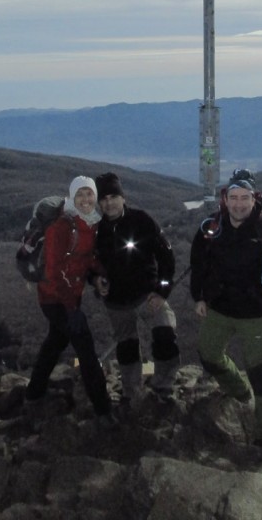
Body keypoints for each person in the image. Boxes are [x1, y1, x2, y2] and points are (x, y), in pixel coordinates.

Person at [190, 168, 262, 447]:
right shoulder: (211, 228)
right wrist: (199, 297)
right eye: (234, 197)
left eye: (245, 197)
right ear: (225, 199)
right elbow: (199, 264)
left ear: (255, 199)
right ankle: (239, 391)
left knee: (260, 373)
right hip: (220, 307)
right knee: (208, 354)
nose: (239, 203)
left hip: (254, 312)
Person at [24, 176, 117, 430]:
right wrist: (72, 309)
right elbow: (54, 272)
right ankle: (103, 410)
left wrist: (100, 274)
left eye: (90, 195)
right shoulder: (62, 226)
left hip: (69, 297)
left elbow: (85, 259)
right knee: (86, 350)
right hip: (54, 298)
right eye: (80, 196)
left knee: (55, 341)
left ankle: (33, 394)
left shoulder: (91, 223)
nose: (86, 200)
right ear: (72, 198)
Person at [93, 172, 180, 403]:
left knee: (164, 333)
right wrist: (95, 279)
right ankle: (132, 394)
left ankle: (163, 387)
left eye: (113, 196)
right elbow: (90, 265)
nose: (108, 203)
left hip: (147, 295)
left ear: (123, 197)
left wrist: (162, 292)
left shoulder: (141, 220)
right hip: (116, 302)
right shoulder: (96, 231)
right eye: (103, 198)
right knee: (127, 347)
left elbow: (167, 258)